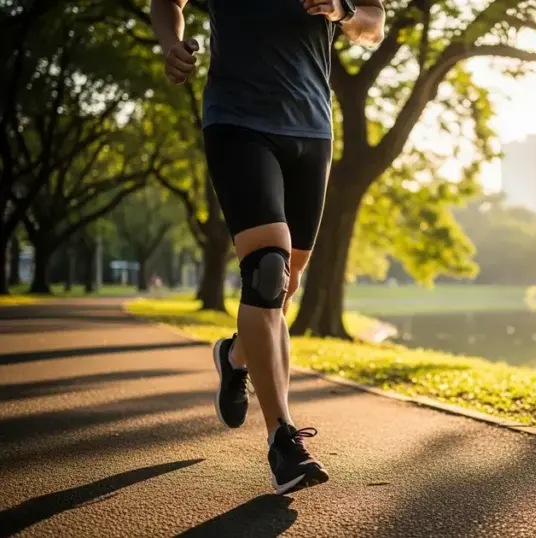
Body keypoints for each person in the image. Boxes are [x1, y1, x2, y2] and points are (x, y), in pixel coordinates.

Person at [150, 0, 384, 495]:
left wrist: (342, 11)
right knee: (265, 273)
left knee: (283, 287)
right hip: (237, 123)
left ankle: (236, 355)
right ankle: (283, 440)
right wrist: (171, 42)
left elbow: (373, 25)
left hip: (311, 130)